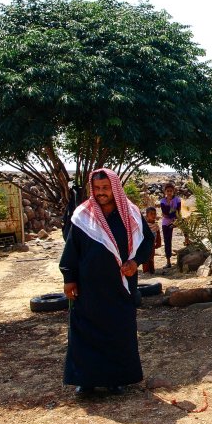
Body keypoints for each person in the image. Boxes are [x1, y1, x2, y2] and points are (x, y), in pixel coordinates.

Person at [60, 168, 154, 396]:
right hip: (88, 286)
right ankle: (86, 382)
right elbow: (72, 249)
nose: (101, 193)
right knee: (85, 332)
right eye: (97, 189)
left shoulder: (130, 214)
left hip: (120, 284)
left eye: (106, 188)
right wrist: (69, 278)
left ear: (114, 188)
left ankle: (116, 380)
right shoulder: (83, 215)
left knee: (118, 331)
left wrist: (135, 262)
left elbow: (147, 242)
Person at [159, 183, 181, 268]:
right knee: (167, 241)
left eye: (171, 191)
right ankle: (168, 261)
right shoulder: (163, 201)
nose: (169, 192)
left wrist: (172, 214)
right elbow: (165, 213)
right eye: (167, 191)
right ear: (165, 191)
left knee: (186, 227)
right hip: (166, 223)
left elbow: (178, 211)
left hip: (176, 220)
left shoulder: (177, 200)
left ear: (173, 191)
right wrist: (172, 212)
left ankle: (187, 240)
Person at [142, 206, 161, 274]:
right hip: (145, 244)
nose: (153, 215)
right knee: (145, 257)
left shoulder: (155, 225)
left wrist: (158, 243)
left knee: (151, 257)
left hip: (152, 244)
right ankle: (146, 270)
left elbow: (158, 234)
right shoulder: (144, 225)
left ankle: (152, 270)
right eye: (151, 214)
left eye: (154, 214)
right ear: (147, 215)